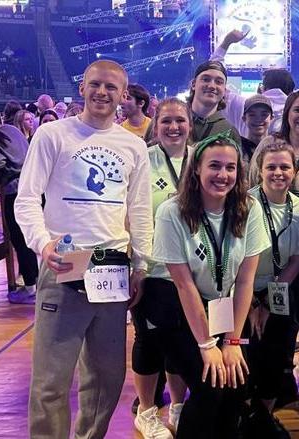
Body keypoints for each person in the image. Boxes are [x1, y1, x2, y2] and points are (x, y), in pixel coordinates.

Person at [15, 60, 153, 438]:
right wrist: (43, 245)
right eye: (95, 85)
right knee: (50, 381)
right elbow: (26, 199)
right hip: (64, 266)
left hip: (113, 268)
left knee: (107, 378)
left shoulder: (133, 146)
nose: (102, 93)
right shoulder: (53, 135)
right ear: (82, 88)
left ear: (124, 95)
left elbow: (140, 210)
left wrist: (140, 264)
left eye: (111, 87)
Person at [151, 130, 269, 438]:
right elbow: (183, 285)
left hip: (225, 307)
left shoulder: (249, 208)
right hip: (179, 311)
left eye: (230, 168)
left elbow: (245, 281)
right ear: (197, 169)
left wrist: (231, 342)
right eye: (214, 166)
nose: (223, 174)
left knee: (235, 383)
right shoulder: (171, 212)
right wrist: (207, 345)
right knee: (209, 385)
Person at [248, 90, 299, 418]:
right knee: (276, 322)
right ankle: (278, 378)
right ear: (288, 114)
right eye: (297, 109)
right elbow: (251, 191)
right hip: (269, 253)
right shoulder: (267, 147)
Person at [131, 98, 191, 439]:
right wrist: (136, 264)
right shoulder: (143, 160)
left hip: (194, 269)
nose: (173, 127)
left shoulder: (200, 159)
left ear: (189, 125)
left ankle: (179, 406)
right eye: (166, 121)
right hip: (153, 270)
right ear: (156, 126)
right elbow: (130, 212)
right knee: (150, 339)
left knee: (181, 340)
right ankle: (147, 410)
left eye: (179, 121)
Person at [245, 140, 299, 437]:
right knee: (244, 358)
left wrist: (269, 302)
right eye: (271, 167)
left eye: (285, 166)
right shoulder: (243, 204)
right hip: (240, 290)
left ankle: (264, 416)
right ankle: (245, 413)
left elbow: (297, 259)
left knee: (276, 354)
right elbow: (233, 258)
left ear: (294, 171)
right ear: (260, 171)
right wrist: (250, 303)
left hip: (278, 291)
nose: (278, 173)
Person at [0, 107, 38, 304]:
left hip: (15, 191)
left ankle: (30, 289)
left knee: (20, 241)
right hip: (35, 187)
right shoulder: (13, 130)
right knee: (34, 237)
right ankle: (41, 284)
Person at [211, 30, 294, 136]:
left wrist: (226, 43)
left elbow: (213, 74)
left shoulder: (243, 106)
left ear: (261, 89)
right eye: (254, 114)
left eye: (264, 114)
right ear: (291, 92)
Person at [240, 94, 273, 167]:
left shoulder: (276, 148)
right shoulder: (238, 148)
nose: (258, 119)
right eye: (252, 115)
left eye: (264, 115)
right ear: (244, 118)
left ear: (271, 118)